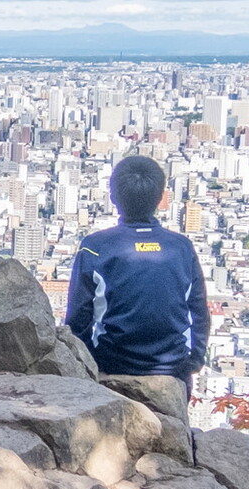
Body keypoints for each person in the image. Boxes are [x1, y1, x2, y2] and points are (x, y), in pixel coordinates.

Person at [64, 155, 210, 400]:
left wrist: (90, 364)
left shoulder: (95, 246)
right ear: (161, 198)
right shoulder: (181, 247)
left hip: (111, 364)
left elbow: (78, 318)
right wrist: (194, 360)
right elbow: (199, 312)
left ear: (113, 197)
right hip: (172, 369)